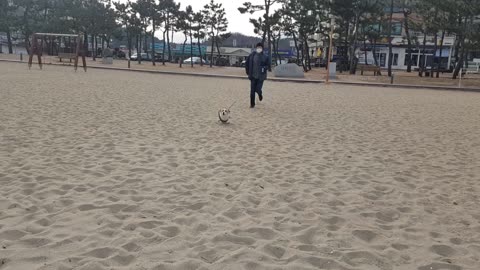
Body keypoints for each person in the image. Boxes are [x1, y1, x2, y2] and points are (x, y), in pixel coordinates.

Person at [245, 43, 270, 108]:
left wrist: (264, 68)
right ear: (256, 48)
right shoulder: (251, 55)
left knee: (258, 89)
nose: (259, 48)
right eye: (258, 47)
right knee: (252, 91)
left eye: (260, 47)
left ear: (262, 48)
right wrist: (247, 72)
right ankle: (252, 104)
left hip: (261, 76)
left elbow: (268, 65)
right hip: (253, 76)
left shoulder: (265, 56)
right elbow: (247, 63)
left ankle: (260, 94)